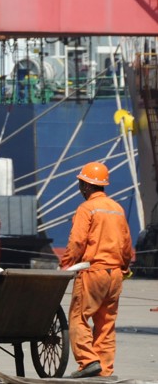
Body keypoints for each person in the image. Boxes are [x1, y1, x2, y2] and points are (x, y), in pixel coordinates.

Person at [59, 162, 135, 379]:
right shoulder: (117, 209)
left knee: (79, 319)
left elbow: (77, 242)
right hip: (115, 275)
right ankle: (104, 369)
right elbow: (127, 246)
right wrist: (125, 268)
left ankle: (89, 361)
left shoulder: (87, 208)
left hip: (93, 273)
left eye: (81, 184)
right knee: (106, 324)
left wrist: (65, 264)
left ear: (86, 186)